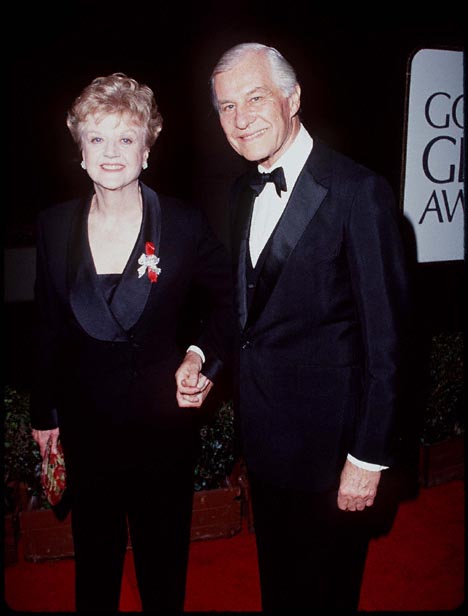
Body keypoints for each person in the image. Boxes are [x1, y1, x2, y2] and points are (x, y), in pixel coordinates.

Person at [208, 42, 412, 611]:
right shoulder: (239, 193)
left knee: (327, 595)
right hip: (266, 443)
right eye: (226, 107)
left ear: (293, 97)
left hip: (332, 455)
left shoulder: (357, 192)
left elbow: (388, 343)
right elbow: (245, 306)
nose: (240, 118)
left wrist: (368, 459)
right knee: (279, 588)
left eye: (254, 97)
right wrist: (206, 356)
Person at [30, 72, 232, 614]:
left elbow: (232, 302)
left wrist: (201, 357)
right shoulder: (52, 228)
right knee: (93, 570)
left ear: (147, 150)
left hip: (161, 431)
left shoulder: (184, 226)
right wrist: (44, 412)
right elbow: (47, 324)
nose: (111, 152)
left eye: (126, 138)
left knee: (162, 571)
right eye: (97, 138)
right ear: (80, 152)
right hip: (86, 429)